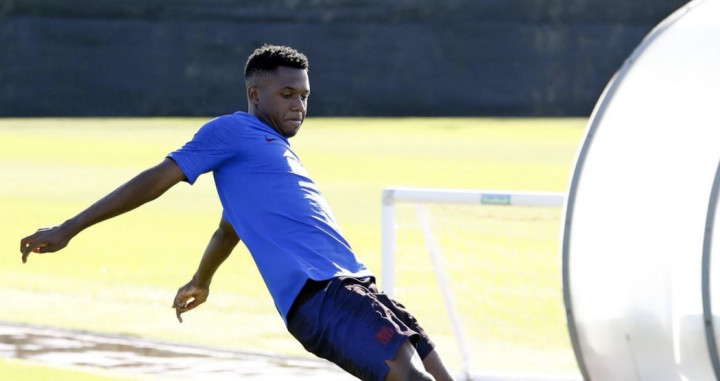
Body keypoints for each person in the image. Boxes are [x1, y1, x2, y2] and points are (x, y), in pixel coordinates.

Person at [19, 44, 454, 381]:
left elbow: (231, 227)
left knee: (437, 369)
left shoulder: (275, 150)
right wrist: (70, 227)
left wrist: (201, 279)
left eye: (303, 96)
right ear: (254, 93)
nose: (298, 105)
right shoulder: (233, 130)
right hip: (321, 295)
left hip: (356, 285)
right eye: (286, 94)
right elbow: (157, 178)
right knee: (409, 376)